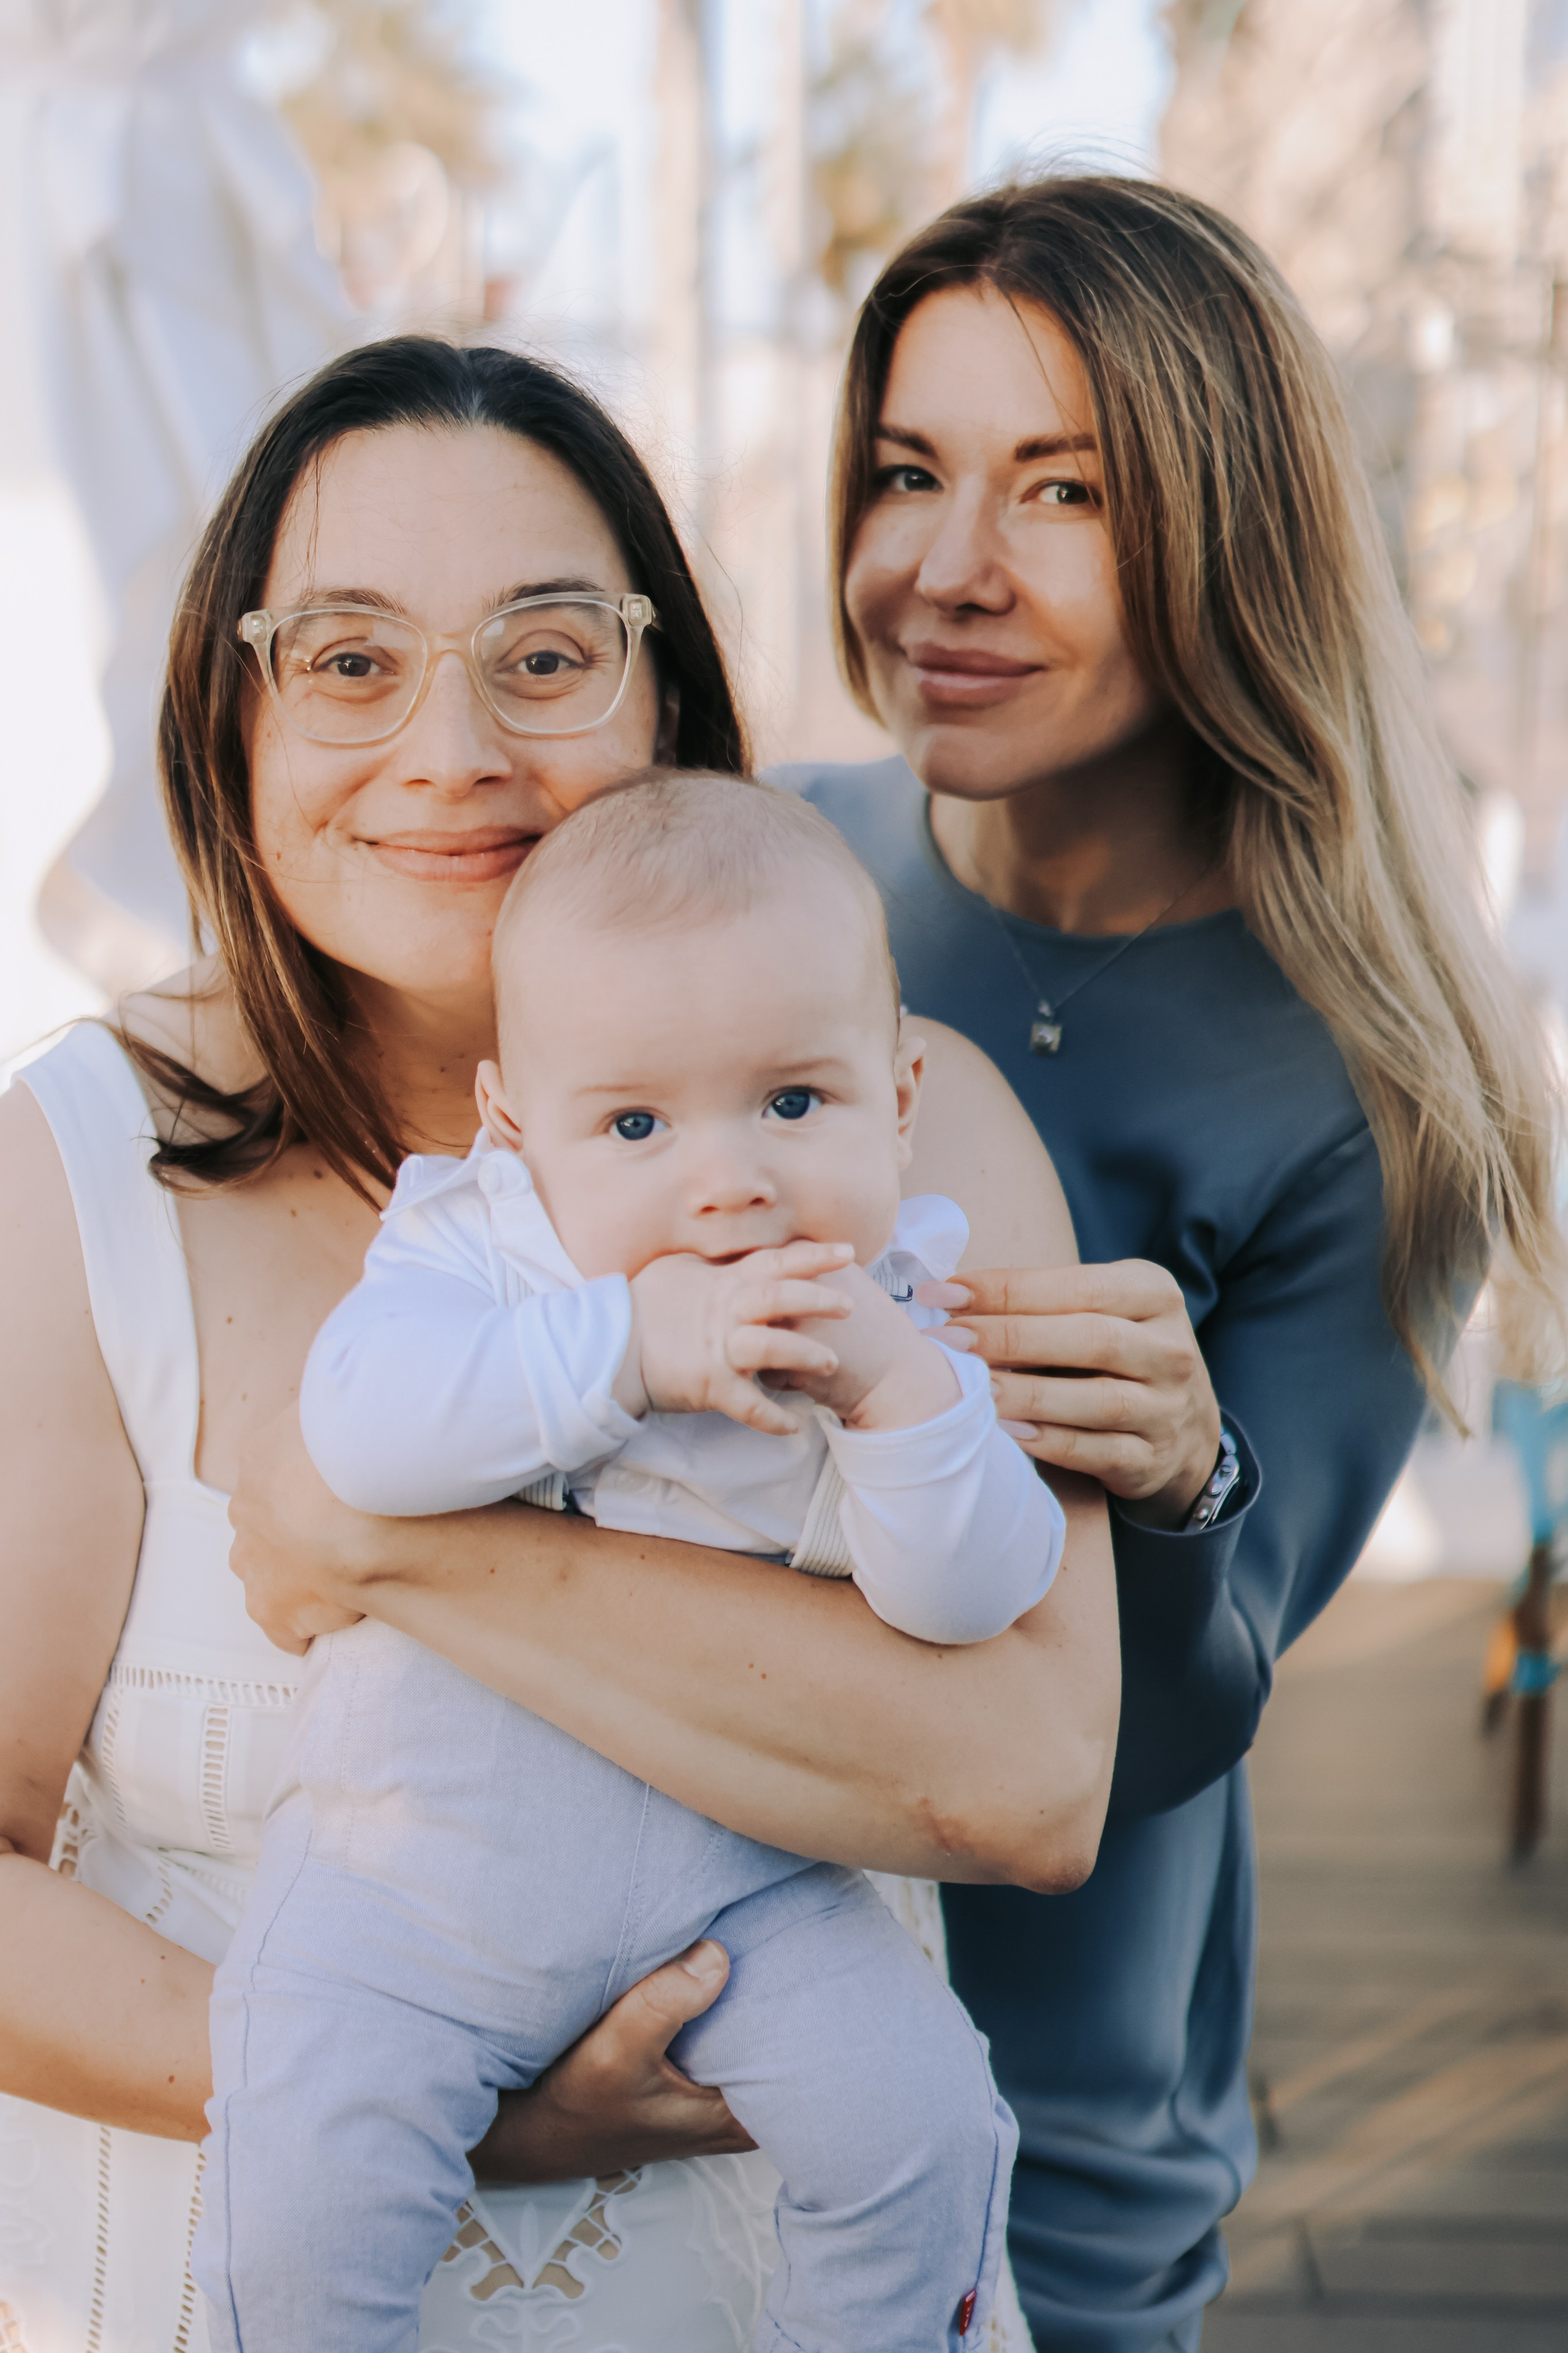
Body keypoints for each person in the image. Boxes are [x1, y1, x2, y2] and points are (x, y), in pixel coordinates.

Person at [0, 337, 1124, 2353]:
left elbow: (1031, 1776)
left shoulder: (897, 1126)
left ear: (670, 699)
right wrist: (454, 2101)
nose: (450, 751)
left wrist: (386, 1549)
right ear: (227, 721)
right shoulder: (75, 1170)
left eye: (544, 655)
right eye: (347, 659)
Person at [777, 175, 1565, 2347]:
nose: (948, 566)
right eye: (910, 473)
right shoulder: (759, 862)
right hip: (660, 2058)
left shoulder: (1376, 1078)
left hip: (1044, 2140)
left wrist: (1187, 1484)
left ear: (1230, 535)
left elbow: (1190, 1713)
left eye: (1064, 492)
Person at [199, 774, 1061, 2352]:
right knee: (305, 2178)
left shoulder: (905, 1309)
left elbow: (974, 1597)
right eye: (639, 1125)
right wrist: (632, 1345)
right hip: (425, 1868)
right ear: (517, 1130)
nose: (727, 1179)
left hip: (755, 1882)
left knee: (925, 2122)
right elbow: (362, 1440)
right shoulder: (482, 1242)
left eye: (795, 1104)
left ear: (901, 1096)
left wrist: (900, 1401)